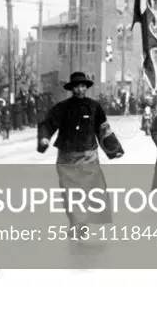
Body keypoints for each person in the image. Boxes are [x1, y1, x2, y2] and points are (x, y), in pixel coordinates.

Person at [36, 72, 124, 242]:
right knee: (70, 193)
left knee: (91, 190)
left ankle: (83, 222)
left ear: (87, 87)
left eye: (83, 86)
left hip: (88, 154)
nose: (80, 89)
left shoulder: (95, 107)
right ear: (72, 88)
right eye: (77, 86)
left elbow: (103, 128)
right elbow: (48, 123)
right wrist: (45, 137)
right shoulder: (62, 107)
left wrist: (114, 149)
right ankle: (77, 224)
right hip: (67, 157)